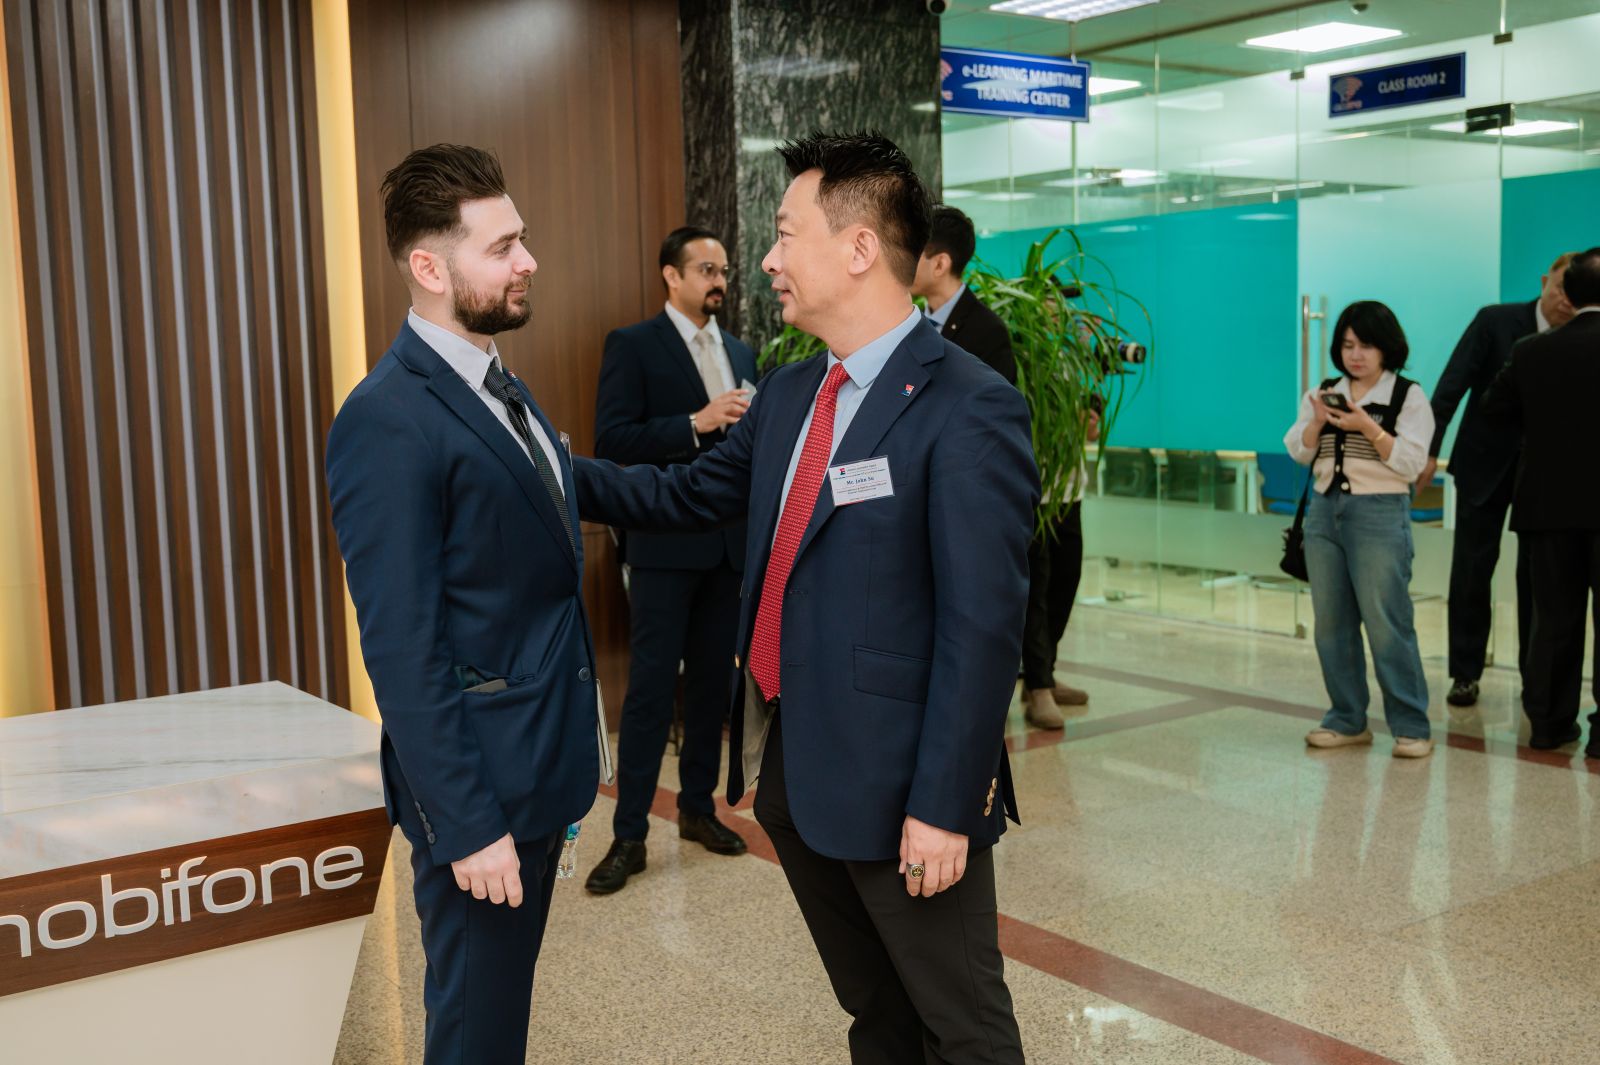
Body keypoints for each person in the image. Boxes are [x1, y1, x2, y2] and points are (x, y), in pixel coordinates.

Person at [574, 131, 1035, 1064]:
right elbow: (683, 495)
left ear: (859, 248)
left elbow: (983, 628)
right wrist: (544, 467)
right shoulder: (790, 393)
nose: (768, 262)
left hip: (906, 788)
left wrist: (945, 805)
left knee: (966, 1029)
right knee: (877, 1013)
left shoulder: (968, 404)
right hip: (800, 777)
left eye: (785, 235)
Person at [325, 145, 599, 1065]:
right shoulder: (385, 417)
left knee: (497, 1021)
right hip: (482, 797)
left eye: (522, 239)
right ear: (430, 268)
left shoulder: (491, 380)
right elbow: (403, 652)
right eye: (503, 246)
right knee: (477, 1034)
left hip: (533, 771)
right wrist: (470, 825)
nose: (529, 261)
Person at [584, 226, 757, 894]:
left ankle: (697, 808)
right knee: (652, 691)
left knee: (712, 686)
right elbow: (612, 439)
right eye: (706, 269)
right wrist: (697, 422)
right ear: (671, 275)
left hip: (728, 545)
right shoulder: (633, 345)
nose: (719, 281)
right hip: (663, 544)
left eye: (724, 269)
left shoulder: (741, 350)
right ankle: (629, 834)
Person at [1423, 252, 1578, 708]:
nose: (1566, 300)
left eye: (1575, 292)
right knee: (1472, 571)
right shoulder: (1495, 321)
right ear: (1545, 280)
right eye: (1560, 288)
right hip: (1483, 464)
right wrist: (1428, 449)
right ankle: (1465, 673)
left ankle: (1535, 677)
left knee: (1537, 578)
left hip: (1544, 475)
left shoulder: (1581, 336)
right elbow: (1451, 385)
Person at [1286, 300, 1436, 759]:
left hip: (1379, 512)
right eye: (1348, 345)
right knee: (1331, 624)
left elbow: (1412, 464)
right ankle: (1347, 719)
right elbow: (1298, 451)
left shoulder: (1408, 395)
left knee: (1387, 622)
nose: (1356, 355)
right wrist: (1317, 421)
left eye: (1366, 345)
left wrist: (1367, 426)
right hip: (1324, 511)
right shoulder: (1323, 391)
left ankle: (1411, 725)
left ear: (1387, 348)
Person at [1480, 247, 1600, 754]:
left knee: (1552, 620)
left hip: (1547, 507)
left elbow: (1493, 410)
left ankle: (1549, 724)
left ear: (1567, 292)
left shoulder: (1531, 350)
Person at [1019, 402, 1099, 729]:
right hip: (1033, 493)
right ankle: (1038, 686)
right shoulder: (1021, 370)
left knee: (1065, 584)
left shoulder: (1074, 374)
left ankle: (1044, 674)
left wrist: (1088, 424)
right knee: (1035, 591)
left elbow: (1089, 431)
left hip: (1069, 492)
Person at [910, 204, 1016, 384]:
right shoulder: (912, 321)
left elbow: (998, 398)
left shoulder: (988, 331)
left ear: (940, 264)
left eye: (913, 255)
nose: (904, 264)